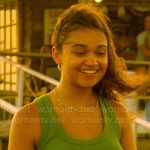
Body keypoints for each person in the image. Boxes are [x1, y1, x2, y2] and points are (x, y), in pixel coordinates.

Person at [9, 4, 141, 150]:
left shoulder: (118, 114)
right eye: (80, 52)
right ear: (57, 55)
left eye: (100, 53)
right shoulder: (28, 119)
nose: (92, 62)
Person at [136, 12, 150, 122]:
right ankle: (141, 102)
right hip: (141, 62)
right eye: (146, 21)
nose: (148, 23)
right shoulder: (141, 36)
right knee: (141, 82)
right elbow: (145, 53)